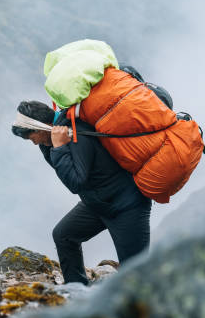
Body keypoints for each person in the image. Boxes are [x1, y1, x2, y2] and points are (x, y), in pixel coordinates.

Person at [12, 100, 151, 285]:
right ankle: (75, 290)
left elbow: (76, 182)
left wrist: (59, 147)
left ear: (40, 128)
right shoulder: (52, 138)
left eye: (32, 137)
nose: (33, 142)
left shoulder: (78, 134)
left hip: (126, 207)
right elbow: (61, 168)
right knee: (63, 235)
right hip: (97, 204)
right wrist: (52, 145)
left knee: (135, 271)